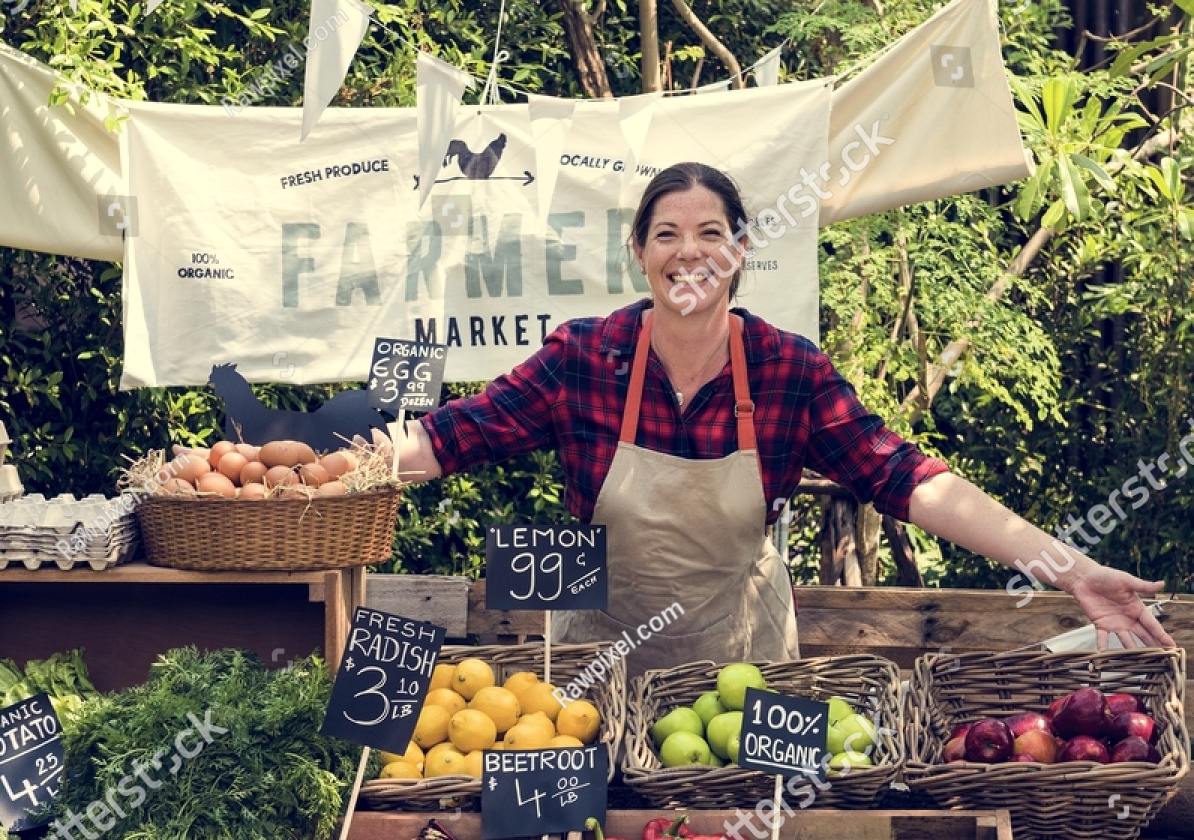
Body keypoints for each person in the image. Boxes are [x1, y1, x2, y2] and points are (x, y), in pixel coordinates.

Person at [378, 162, 1173, 679]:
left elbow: (908, 480)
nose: (689, 254)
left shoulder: (787, 369)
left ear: (740, 250)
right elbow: (454, 437)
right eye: (667, 235)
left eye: (710, 235)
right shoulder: (586, 357)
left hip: (744, 666)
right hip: (597, 665)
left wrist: (1069, 570)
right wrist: (322, 477)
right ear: (639, 254)